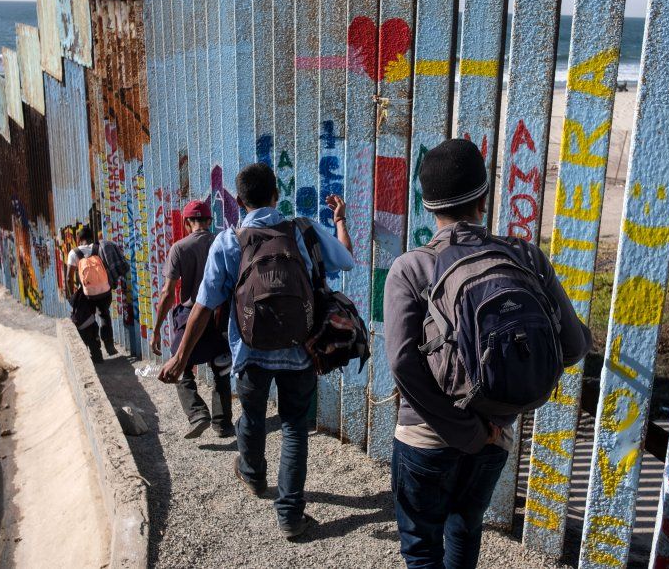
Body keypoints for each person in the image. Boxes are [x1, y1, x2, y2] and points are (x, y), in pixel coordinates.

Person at [383, 139, 591, 569]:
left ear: (427, 205)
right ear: (484, 196)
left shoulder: (412, 267)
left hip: (426, 435)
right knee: (466, 527)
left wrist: (463, 430)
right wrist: (482, 430)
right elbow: (572, 348)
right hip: (497, 432)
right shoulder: (525, 256)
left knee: (422, 546)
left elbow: (403, 363)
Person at [158, 162, 354, 540]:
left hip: (249, 352)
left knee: (251, 416)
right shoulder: (302, 230)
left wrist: (180, 357)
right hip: (300, 350)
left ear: (239, 201)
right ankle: (290, 516)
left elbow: (203, 305)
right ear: (276, 194)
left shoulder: (229, 241)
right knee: (295, 427)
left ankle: (252, 473)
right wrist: (340, 221)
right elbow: (345, 258)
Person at [151, 200, 234, 439]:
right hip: (220, 315)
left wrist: (157, 329)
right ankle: (223, 424)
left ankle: (197, 413)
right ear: (209, 221)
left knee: (181, 364)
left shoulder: (180, 248)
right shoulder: (223, 244)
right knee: (221, 366)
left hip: (191, 316)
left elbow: (167, 293)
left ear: (187, 223)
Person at [65, 226, 129, 362]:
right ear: (91, 237)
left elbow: (69, 278)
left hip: (87, 293)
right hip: (105, 290)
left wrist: (71, 296)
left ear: (78, 239)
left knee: (90, 319)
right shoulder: (99, 248)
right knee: (104, 314)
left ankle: (96, 352)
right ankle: (109, 344)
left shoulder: (74, 253)